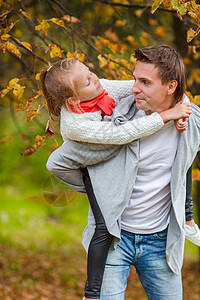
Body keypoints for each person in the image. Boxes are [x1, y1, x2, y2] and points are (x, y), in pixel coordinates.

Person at [44, 47, 200, 299]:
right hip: (115, 238)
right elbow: (59, 162)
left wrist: (183, 106)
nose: (134, 87)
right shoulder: (112, 117)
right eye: (135, 79)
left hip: (162, 241)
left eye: (145, 82)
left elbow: (186, 165)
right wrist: (103, 186)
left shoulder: (191, 121)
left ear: (171, 86)